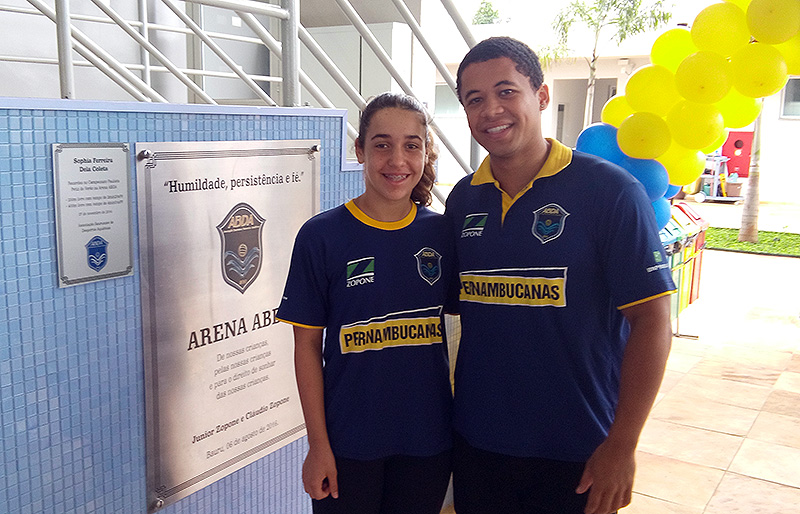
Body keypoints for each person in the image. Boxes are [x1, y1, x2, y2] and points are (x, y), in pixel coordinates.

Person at [445, 37, 676, 514]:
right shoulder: (464, 199)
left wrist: (623, 445)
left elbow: (653, 321)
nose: (491, 109)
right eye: (475, 99)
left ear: (542, 96)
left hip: (579, 449)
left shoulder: (609, 191)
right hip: (479, 443)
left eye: (506, 91)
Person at [276, 92, 453, 514]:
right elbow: (306, 348)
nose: (397, 160)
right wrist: (317, 445)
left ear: (425, 153)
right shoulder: (321, 236)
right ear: (360, 150)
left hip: (427, 440)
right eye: (382, 144)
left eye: (412, 145)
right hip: (348, 442)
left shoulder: (442, 235)